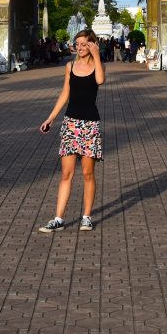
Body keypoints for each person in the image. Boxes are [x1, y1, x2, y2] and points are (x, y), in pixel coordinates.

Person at [38, 28, 105, 233]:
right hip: (70, 124)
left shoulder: (96, 66)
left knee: (87, 173)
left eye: (84, 44)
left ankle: (86, 217)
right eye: (77, 44)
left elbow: (100, 81)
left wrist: (97, 55)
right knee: (66, 174)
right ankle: (58, 218)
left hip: (90, 125)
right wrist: (51, 118)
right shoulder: (70, 66)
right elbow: (65, 94)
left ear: (92, 45)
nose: (80, 48)